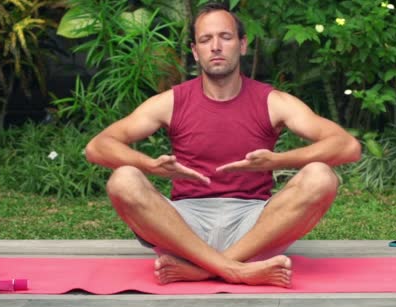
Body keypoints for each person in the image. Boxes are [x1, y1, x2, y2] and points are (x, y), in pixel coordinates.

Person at [85, 2, 361, 288]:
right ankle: (235, 269)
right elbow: (99, 146)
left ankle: (205, 269)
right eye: (206, 39)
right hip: (184, 224)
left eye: (225, 37)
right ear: (195, 51)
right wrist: (150, 166)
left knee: (321, 176)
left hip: (253, 225)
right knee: (123, 179)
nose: (215, 46)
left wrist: (277, 161)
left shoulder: (272, 101)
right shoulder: (172, 101)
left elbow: (346, 146)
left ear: (242, 45)